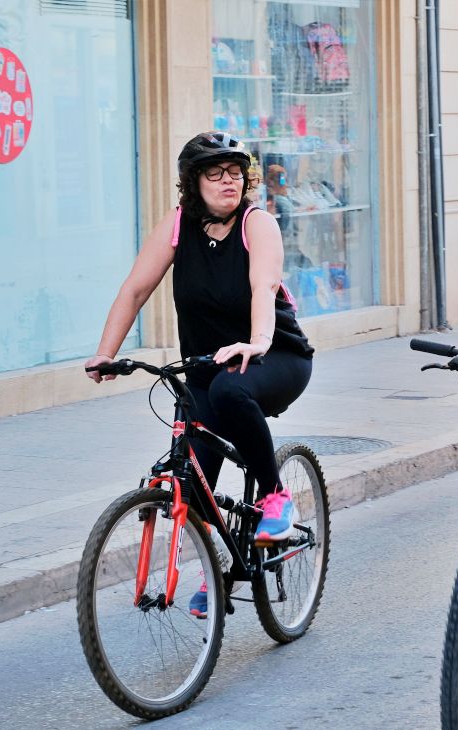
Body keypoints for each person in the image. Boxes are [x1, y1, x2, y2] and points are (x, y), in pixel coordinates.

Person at [85, 132, 314, 616]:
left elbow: (263, 286)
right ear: (194, 182)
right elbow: (134, 290)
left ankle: (276, 499)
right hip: (207, 367)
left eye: (235, 172)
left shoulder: (258, 224)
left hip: (276, 356)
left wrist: (256, 343)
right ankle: (219, 573)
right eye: (216, 173)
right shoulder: (177, 227)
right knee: (197, 476)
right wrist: (106, 355)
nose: (229, 180)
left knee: (233, 391)